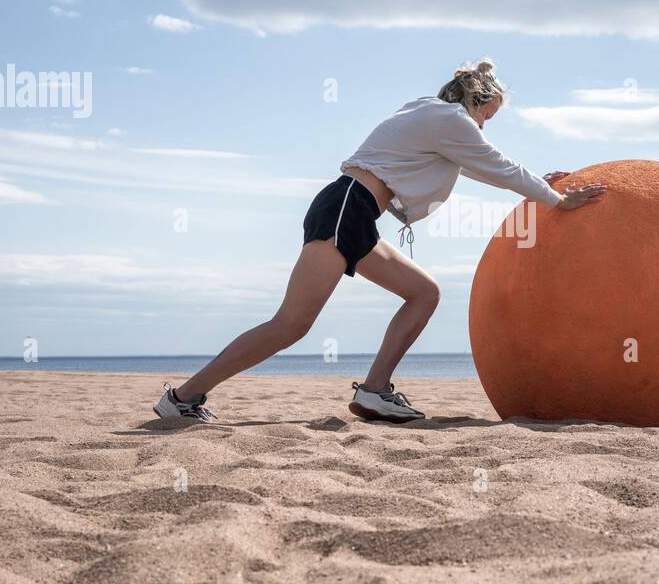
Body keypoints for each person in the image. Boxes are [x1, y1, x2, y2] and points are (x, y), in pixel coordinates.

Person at [153, 59, 606, 425]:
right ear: (476, 101)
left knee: (424, 293)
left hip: (353, 211)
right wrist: (557, 200)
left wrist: (538, 184)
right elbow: (496, 164)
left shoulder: (428, 112)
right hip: (346, 207)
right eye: (488, 117)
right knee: (290, 324)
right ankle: (184, 396)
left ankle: (374, 391)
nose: (486, 127)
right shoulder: (450, 120)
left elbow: (475, 164)